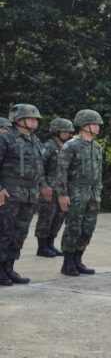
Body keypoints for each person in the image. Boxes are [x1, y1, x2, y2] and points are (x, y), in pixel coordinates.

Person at [0, 104, 45, 286]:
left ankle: (9, 268)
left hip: (29, 194)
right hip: (10, 193)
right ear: (18, 119)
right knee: (4, 232)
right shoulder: (5, 138)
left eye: (36, 118)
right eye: (31, 118)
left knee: (20, 233)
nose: (35, 121)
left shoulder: (35, 140)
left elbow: (39, 168)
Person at [57, 109, 105, 277]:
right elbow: (61, 171)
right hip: (76, 192)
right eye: (94, 124)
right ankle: (68, 262)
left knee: (88, 228)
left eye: (98, 124)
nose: (97, 127)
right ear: (84, 125)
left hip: (92, 193)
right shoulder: (71, 145)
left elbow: (99, 173)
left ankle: (78, 259)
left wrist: (98, 192)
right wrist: (62, 194)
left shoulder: (97, 147)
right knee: (73, 227)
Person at [35, 117, 74, 257]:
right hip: (49, 189)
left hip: (62, 190)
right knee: (46, 217)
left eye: (68, 131)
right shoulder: (48, 146)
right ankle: (42, 247)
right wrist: (43, 186)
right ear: (56, 131)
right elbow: (39, 167)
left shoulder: (67, 147)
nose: (67, 134)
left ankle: (50, 244)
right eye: (64, 131)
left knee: (59, 218)